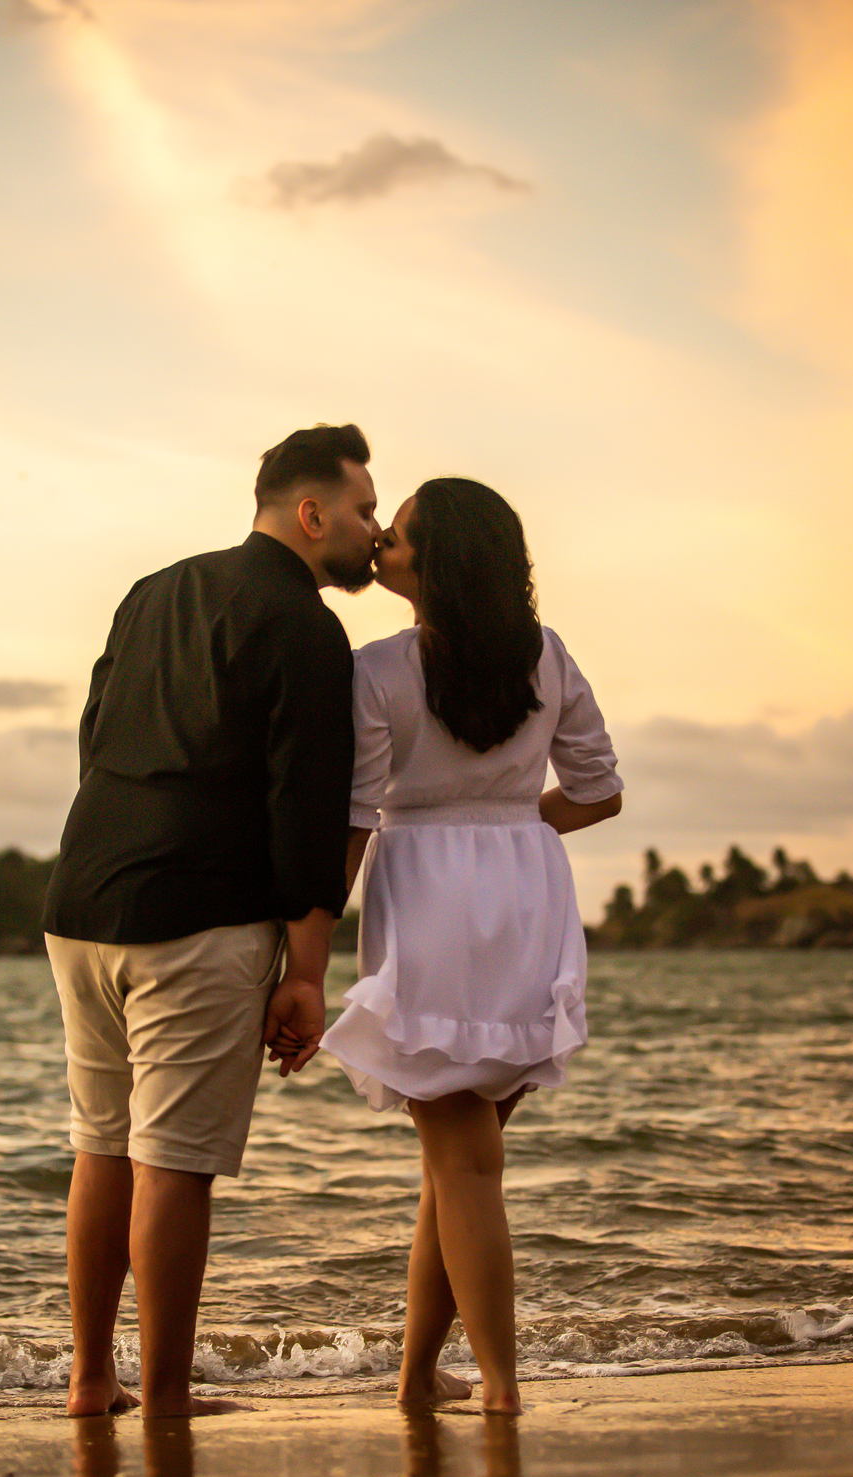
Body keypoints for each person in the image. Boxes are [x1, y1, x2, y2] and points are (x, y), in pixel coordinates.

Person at [44, 424, 379, 1418]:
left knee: (101, 1144)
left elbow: (94, 736)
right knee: (174, 1162)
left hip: (83, 901)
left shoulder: (155, 591)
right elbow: (307, 808)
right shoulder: (309, 629)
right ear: (311, 514)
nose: (371, 530)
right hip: (196, 918)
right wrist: (307, 973)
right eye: (363, 510)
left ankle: (92, 1378)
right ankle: (168, 1397)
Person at [318, 478, 622, 1415]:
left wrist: (302, 939)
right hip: (527, 897)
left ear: (439, 562)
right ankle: (419, 1378)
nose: (382, 548)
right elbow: (599, 791)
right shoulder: (547, 655)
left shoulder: (376, 670)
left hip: (430, 902)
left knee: (463, 1165)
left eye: (398, 537)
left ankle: (499, 1387)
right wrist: (508, 825)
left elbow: (357, 817)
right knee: (458, 1165)